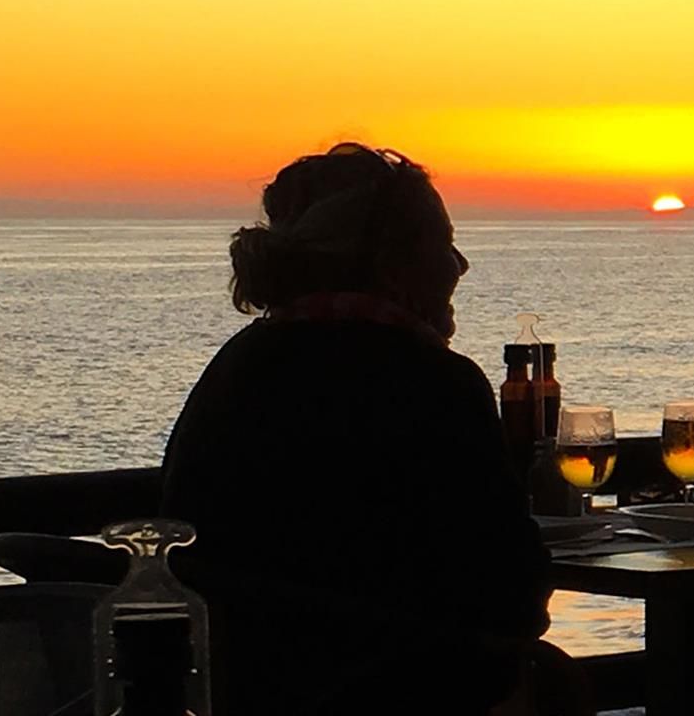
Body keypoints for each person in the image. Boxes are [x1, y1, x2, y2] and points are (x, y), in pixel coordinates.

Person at [160, 143, 576, 716]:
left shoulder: (238, 367)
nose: (459, 266)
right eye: (443, 245)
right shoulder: (433, 381)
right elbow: (513, 598)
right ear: (392, 264)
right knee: (557, 685)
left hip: (238, 688)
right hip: (392, 689)